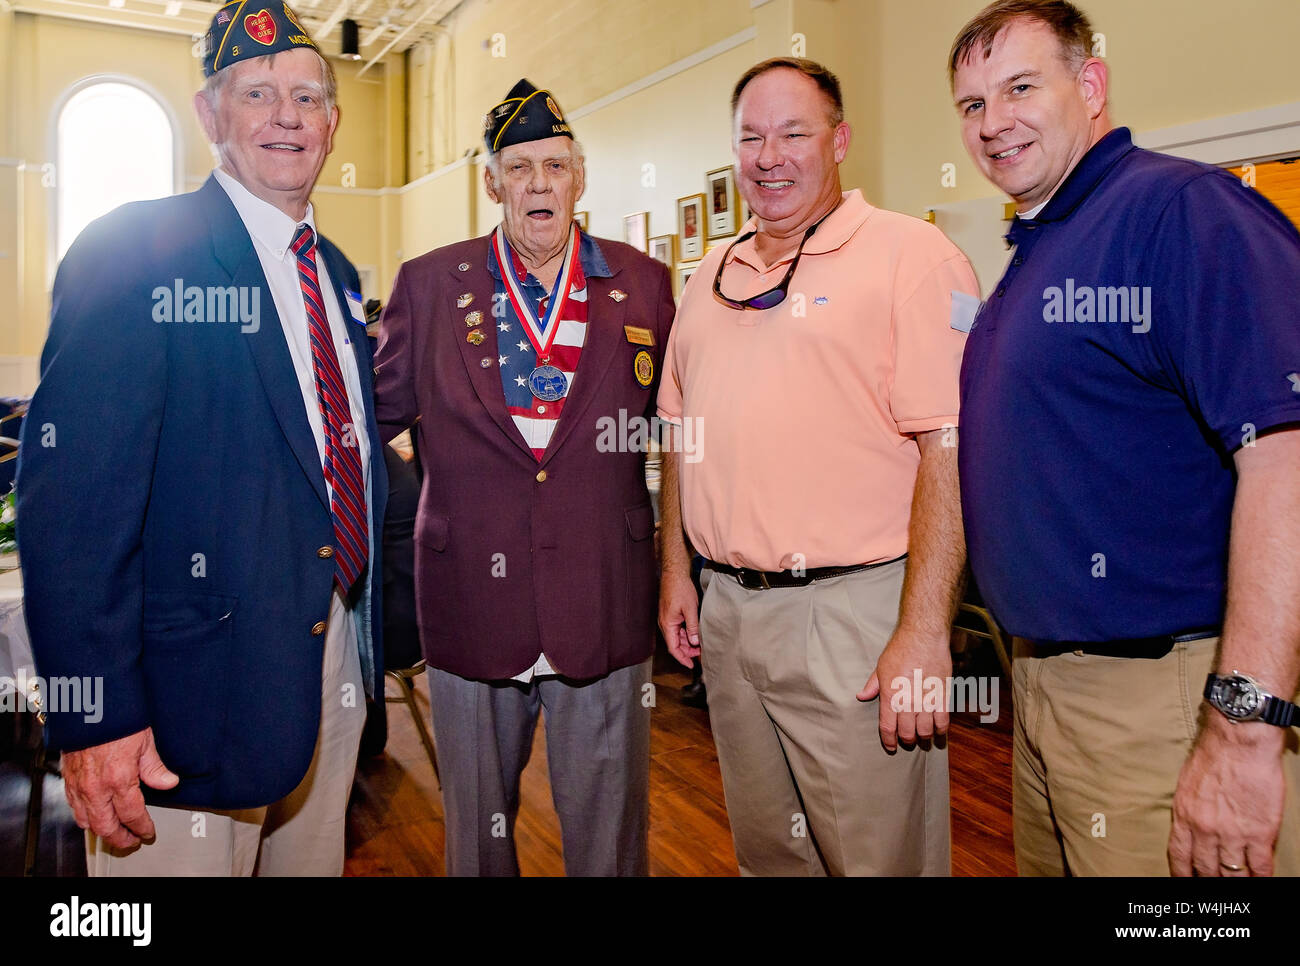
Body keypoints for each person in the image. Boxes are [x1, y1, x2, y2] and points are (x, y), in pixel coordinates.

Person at [17, 2, 386, 876]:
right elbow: (70, 503)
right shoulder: (135, 251)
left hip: (329, 657)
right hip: (183, 708)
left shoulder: (334, 273)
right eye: (257, 93)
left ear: (333, 123)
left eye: (307, 96)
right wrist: (96, 714)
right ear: (209, 114)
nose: (287, 116)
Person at [950, 0, 1300, 876]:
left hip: (1167, 700)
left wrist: (1244, 731)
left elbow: (1286, 458)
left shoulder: (1182, 212)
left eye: (1020, 87)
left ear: (1091, 84)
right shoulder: (1042, 241)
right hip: (1042, 693)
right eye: (972, 105)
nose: (995, 124)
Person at [657, 57, 979, 876]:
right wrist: (677, 577)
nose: (771, 156)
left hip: (858, 617)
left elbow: (950, 450)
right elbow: (678, 436)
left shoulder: (914, 257)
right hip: (729, 614)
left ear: (838, 140)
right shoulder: (706, 280)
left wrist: (923, 630)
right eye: (752, 137)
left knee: (880, 859)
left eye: (794, 133)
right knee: (770, 857)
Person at [373, 79, 676, 876]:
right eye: (520, 168)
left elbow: (680, 438)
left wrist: (682, 575)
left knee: (610, 843)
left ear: (580, 178)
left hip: (603, 599)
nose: (539, 185)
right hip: (471, 599)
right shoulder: (432, 284)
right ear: (491, 182)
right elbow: (367, 427)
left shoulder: (643, 285)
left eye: (555, 166)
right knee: (478, 841)